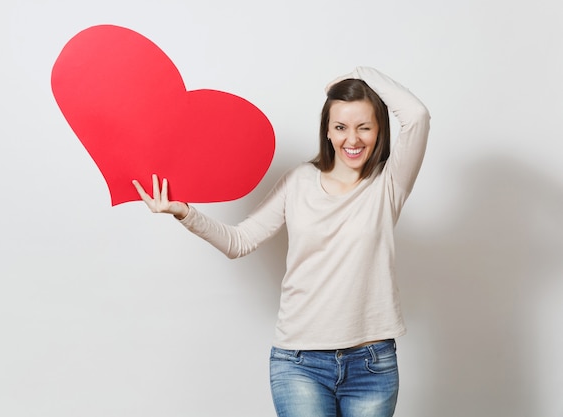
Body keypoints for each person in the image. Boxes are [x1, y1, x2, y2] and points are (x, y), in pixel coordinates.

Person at [133, 66, 430, 417]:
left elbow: (417, 115)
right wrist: (184, 212)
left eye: (364, 127)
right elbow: (239, 241)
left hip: (371, 364)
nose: (352, 139)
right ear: (327, 132)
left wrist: (361, 74)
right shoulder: (299, 181)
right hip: (299, 363)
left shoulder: (388, 184)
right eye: (341, 127)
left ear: (379, 130)